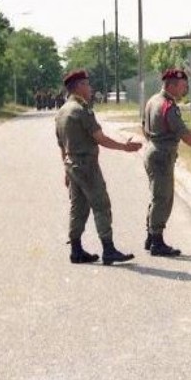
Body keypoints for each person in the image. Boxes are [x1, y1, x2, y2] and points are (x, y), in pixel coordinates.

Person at [55, 69, 142, 265]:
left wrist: (65, 171)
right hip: (86, 166)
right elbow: (100, 138)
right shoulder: (81, 110)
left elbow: (62, 144)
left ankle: (76, 250)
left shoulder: (61, 111)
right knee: (101, 205)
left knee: (78, 208)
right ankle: (108, 249)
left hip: (71, 165)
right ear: (78, 87)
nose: (90, 88)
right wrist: (125, 147)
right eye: (87, 84)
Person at [142, 68, 191, 257]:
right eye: (183, 86)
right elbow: (185, 136)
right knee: (163, 198)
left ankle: (151, 236)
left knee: (157, 195)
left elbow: (144, 127)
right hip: (162, 156)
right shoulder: (168, 106)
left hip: (153, 151)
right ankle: (157, 241)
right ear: (172, 85)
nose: (184, 89)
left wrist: (156, 140)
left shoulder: (153, 101)